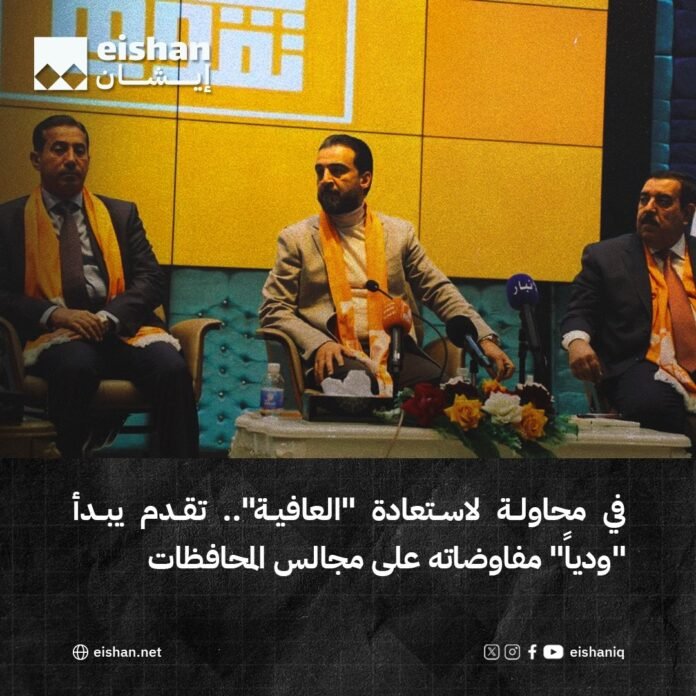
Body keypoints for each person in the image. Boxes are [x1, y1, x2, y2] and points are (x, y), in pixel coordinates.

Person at [0, 114, 199, 457]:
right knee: (76, 366)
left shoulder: (120, 214)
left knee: (171, 368)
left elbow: (151, 279)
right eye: (59, 149)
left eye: (79, 151)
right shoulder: (8, 219)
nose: (71, 159)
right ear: (36, 159)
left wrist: (108, 318)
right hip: (54, 335)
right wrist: (56, 315)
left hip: (121, 329)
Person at [260, 133, 514, 395]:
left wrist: (483, 338)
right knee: (358, 386)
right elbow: (274, 309)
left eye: (337, 171)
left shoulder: (399, 234)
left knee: (442, 395)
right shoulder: (297, 239)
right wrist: (319, 344)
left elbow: (438, 290)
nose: (325, 179)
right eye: (320, 171)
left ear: (365, 179)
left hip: (395, 351)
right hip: (334, 353)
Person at [561, 170, 696, 433]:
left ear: (687, 213)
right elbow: (580, 311)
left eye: (663, 201)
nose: (649, 209)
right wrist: (577, 342)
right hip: (641, 364)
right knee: (652, 405)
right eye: (644, 199)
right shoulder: (605, 257)